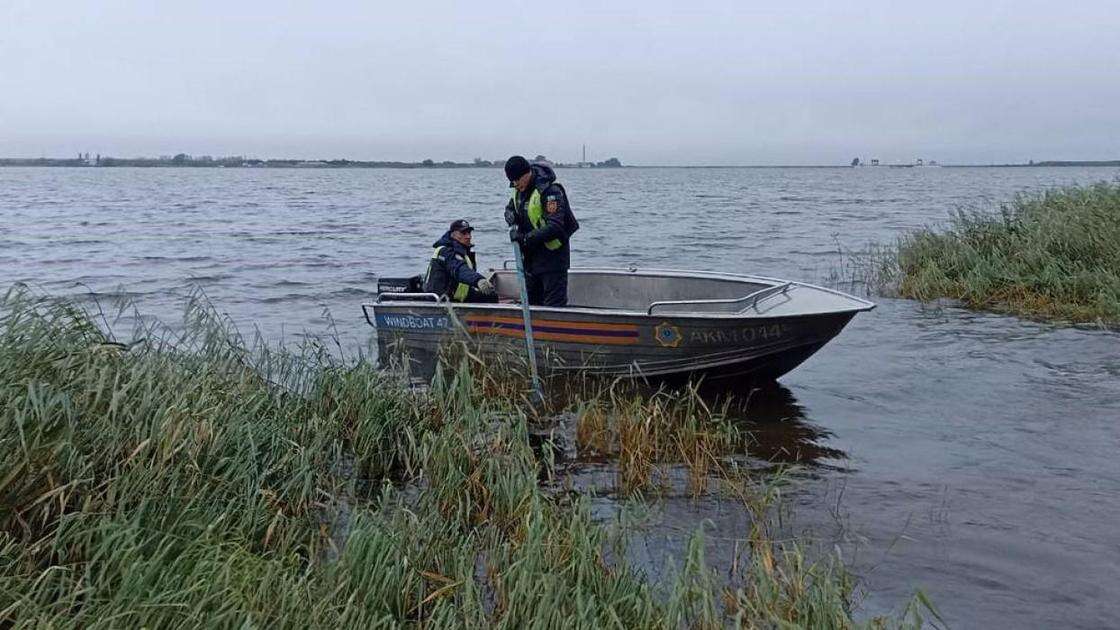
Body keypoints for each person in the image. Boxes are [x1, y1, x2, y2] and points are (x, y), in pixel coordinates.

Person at [503, 155, 579, 307]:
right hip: (531, 260)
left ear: (527, 173)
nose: (515, 184)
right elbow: (511, 207)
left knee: (553, 306)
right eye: (512, 181)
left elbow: (556, 226)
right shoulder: (519, 191)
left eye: (517, 180)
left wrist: (525, 238)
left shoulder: (551, 191)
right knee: (531, 304)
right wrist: (509, 215)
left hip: (552, 259)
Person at [423, 219, 497, 303]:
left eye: (469, 233)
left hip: (458, 296)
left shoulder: (463, 252)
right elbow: (459, 269)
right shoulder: (445, 252)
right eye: (463, 233)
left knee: (491, 296)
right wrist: (478, 280)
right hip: (442, 300)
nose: (468, 236)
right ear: (453, 234)